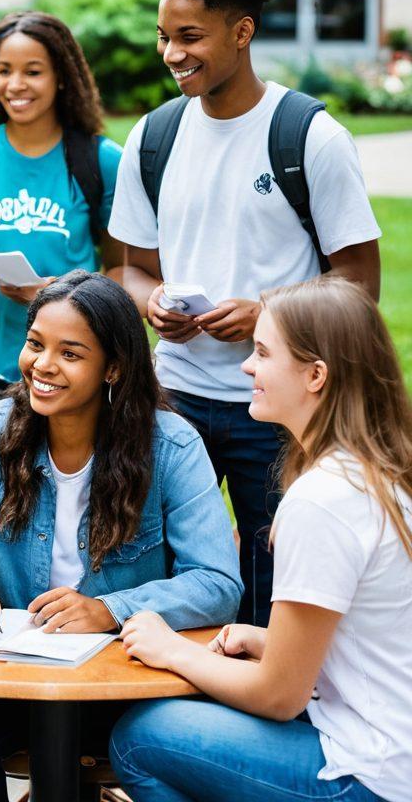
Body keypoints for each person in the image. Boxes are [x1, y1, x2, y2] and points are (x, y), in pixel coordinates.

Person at [108, 0, 381, 623]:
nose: (173, 54)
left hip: (279, 411)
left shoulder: (309, 136)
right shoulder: (153, 136)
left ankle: (261, 711)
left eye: (191, 36)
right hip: (172, 402)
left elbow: (358, 281)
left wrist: (266, 313)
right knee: (164, 578)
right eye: (165, 36)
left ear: (242, 31)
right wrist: (154, 302)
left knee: (271, 584)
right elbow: (130, 267)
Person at [0, 271, 241, 802]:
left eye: (71, 353)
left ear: (114, 368)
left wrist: (110, 609)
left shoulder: (172, 446)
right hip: (18, 676)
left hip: (130, 682)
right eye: (35, 344)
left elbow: (217, 582)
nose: (43, 365)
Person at [110, 277, 412, 802]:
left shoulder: (324, 500)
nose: (247, 366)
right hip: (392, 750)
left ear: (316, 375)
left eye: (264, 354)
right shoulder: (379, 475)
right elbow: (372, 638)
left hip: (369, 775)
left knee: (141, 737)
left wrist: (172, 650)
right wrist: (266, 641)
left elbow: (278, 695)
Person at [0, 11, 124, 422]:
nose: (15, 85)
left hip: (74, 376)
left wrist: (64, 297)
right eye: (4, 71)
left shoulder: (101, 160)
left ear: (61, 77)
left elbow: (122, 274)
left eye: (32, 71)